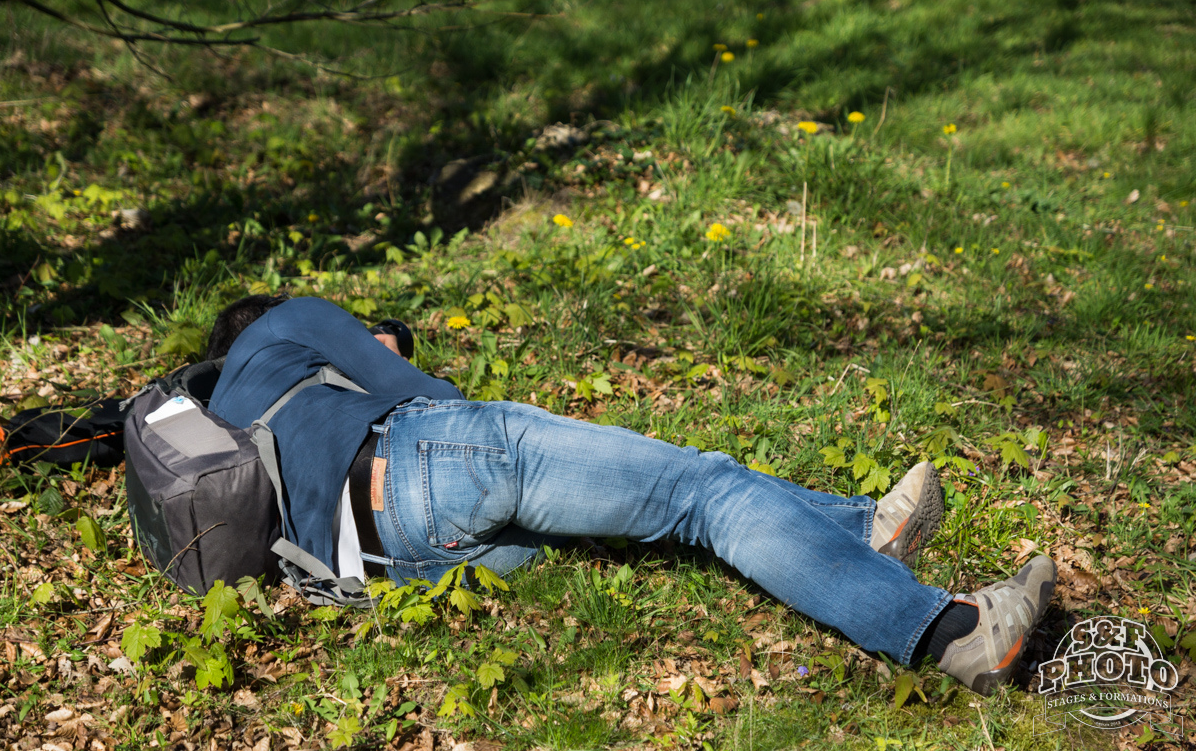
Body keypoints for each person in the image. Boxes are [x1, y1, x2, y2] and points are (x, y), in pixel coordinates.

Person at [207, 294, 1057, 696]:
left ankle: (860, 530)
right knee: (703, 492)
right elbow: (431, 389)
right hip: (432, 459)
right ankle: (953, 633)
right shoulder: (288, 322)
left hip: (402, 562)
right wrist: (383, 346)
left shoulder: (226, 422)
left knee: (675, 508)